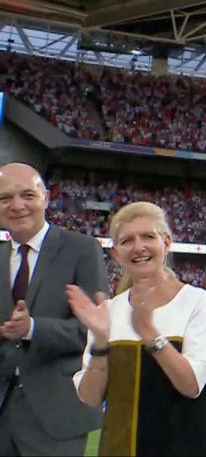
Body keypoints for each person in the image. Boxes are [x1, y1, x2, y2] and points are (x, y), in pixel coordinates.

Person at [68, 201, 206, 456]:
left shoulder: (195, 300)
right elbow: (91, 398)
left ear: (167, 242)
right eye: (127, 240)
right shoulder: (107, 312)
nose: (139, 247)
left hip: (185, 445)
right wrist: (101, 342)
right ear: (116, 253)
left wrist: (149, 332)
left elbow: (191, 385)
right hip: (120, 447)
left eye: (148, 236)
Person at [0, 162, 106, 457]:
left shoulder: (81, 249)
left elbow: (93, 329)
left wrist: (32, 328)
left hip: (55, 413)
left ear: (45, 197)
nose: (16, 205)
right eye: (5, 198)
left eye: (27, 195)